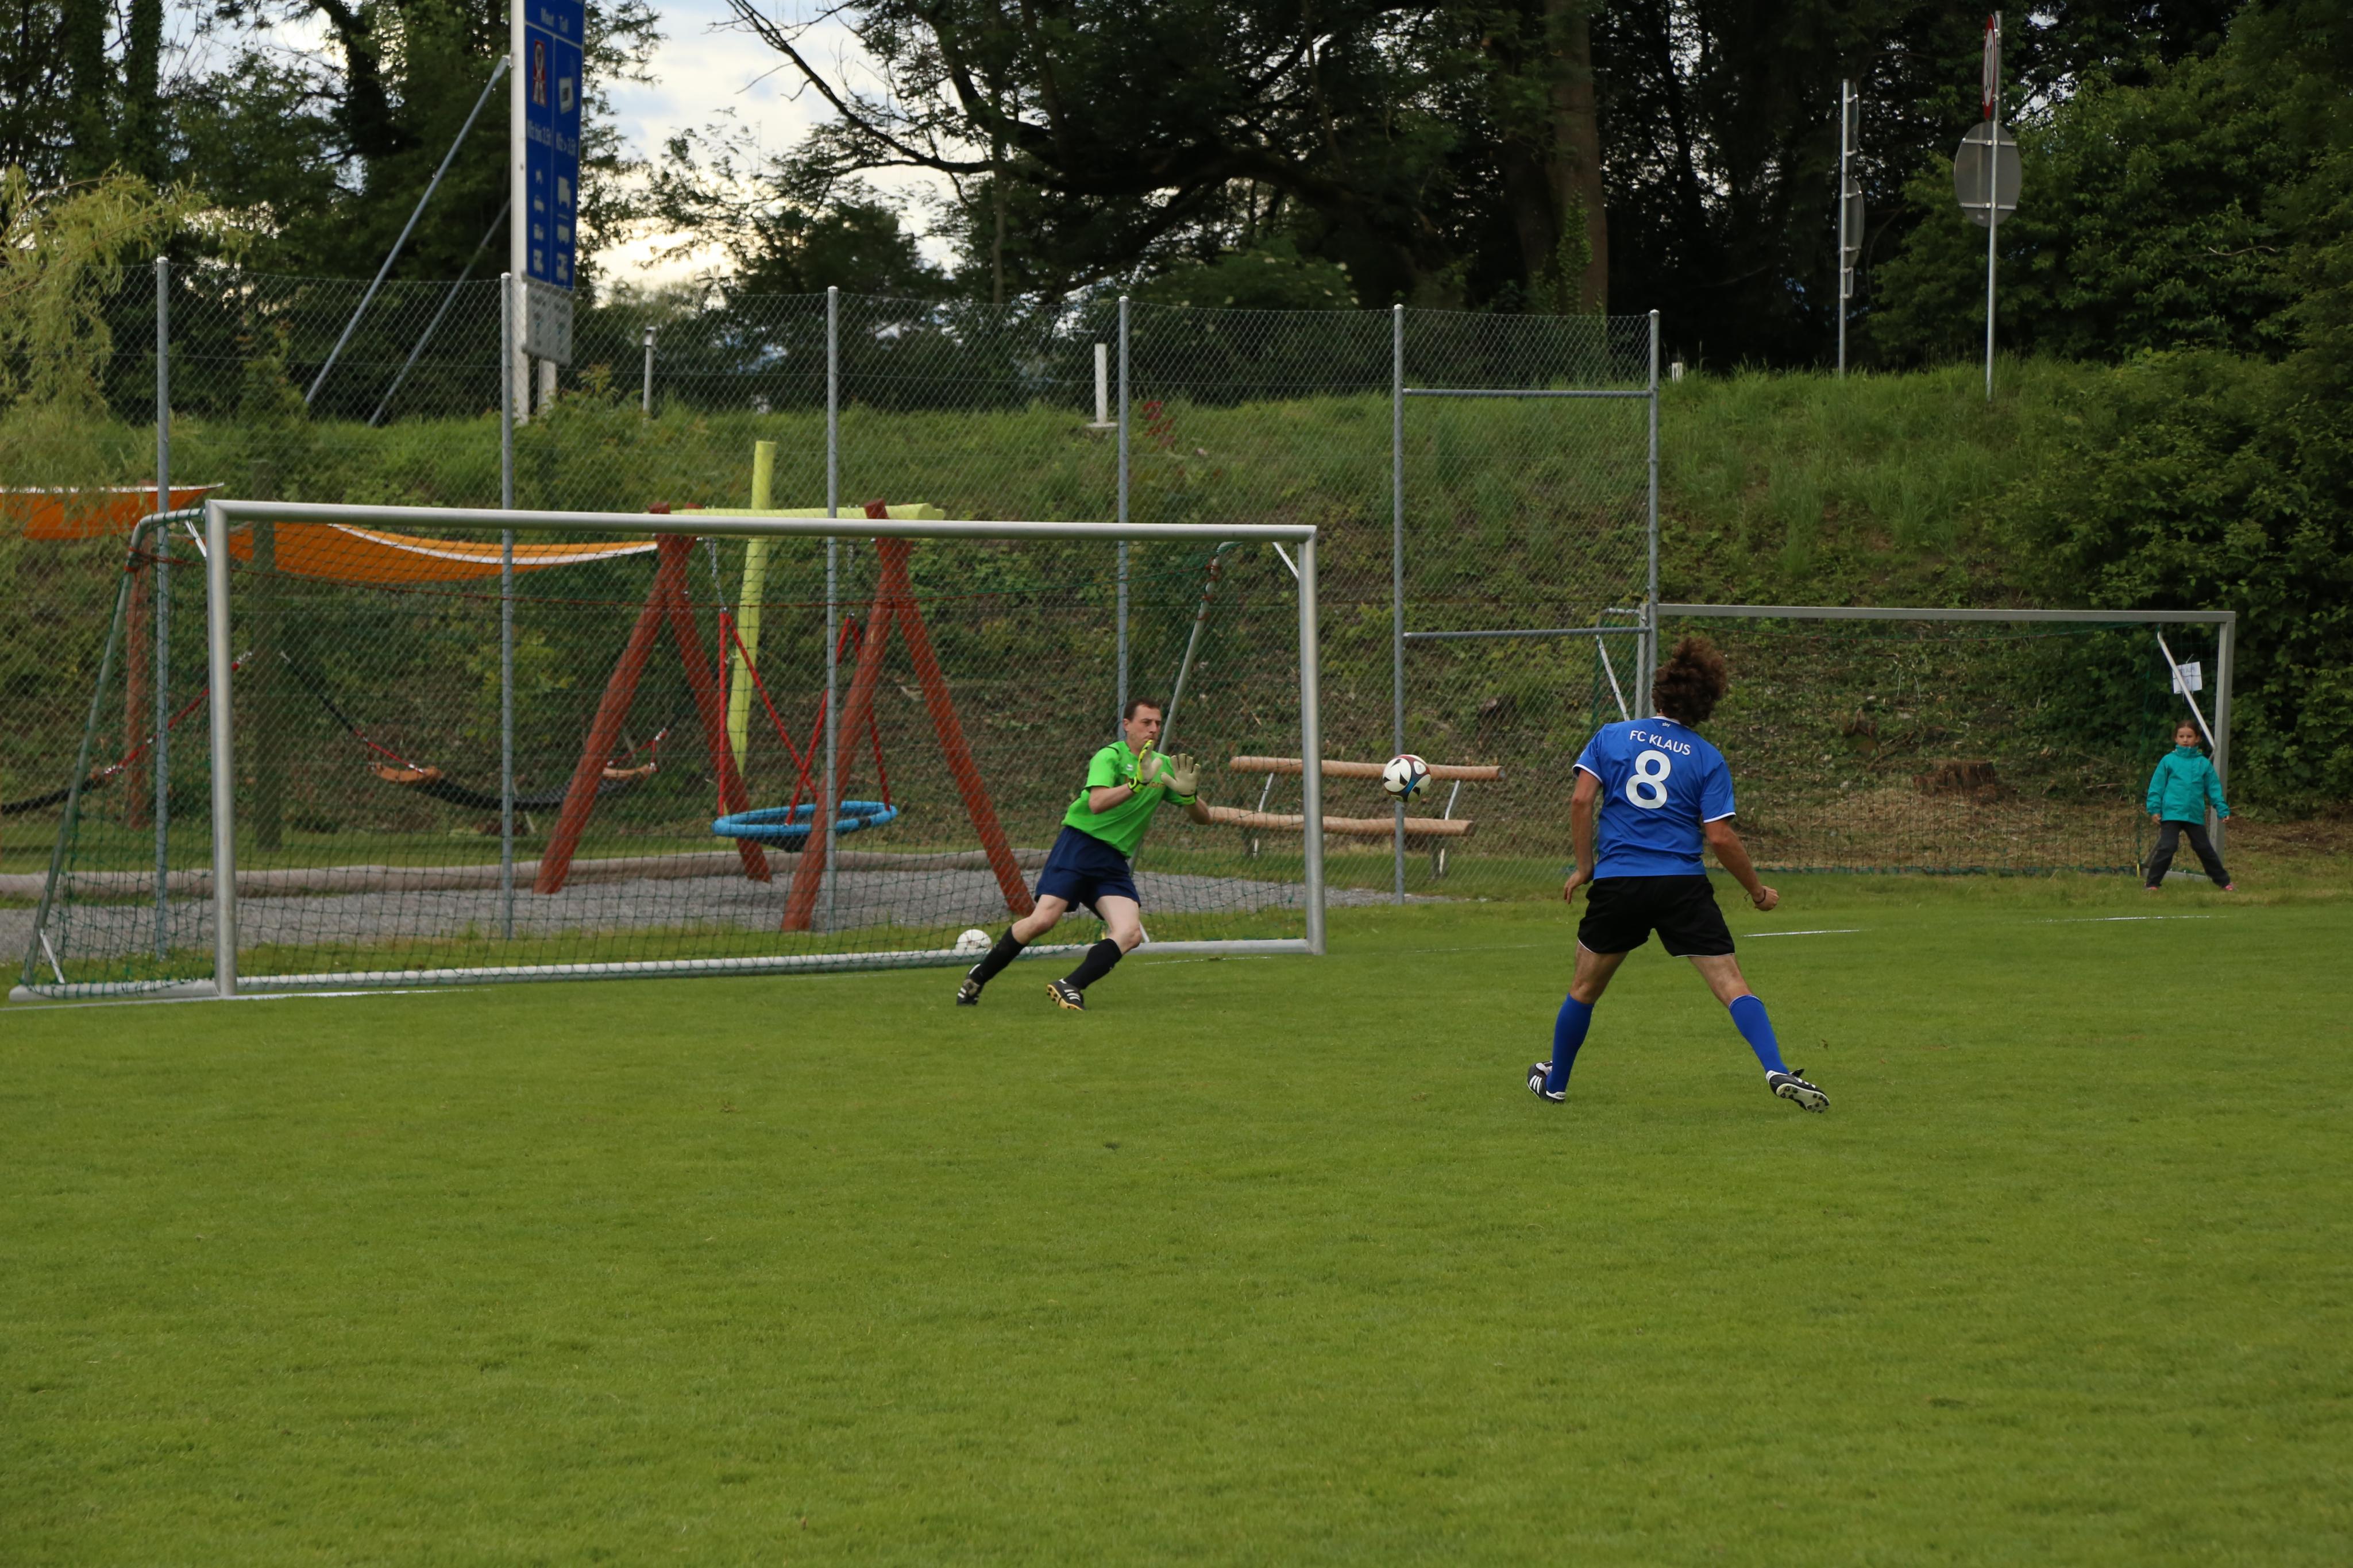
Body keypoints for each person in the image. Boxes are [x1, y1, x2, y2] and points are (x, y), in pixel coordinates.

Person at [1526, 636, 1828, 1113]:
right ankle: (1775, 1068)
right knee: (1732, 984)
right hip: (1681, 886)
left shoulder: (1611, 736)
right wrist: (1756, 891)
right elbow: (1721, 838)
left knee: (1584, 989)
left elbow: (1581, 800)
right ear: (1706, 705)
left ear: (1660, 691)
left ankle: (1556, 1083)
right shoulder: (1707, 758)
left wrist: (1585, 868)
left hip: (1620, 882)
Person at [956, 698, 1210, 1011]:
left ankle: (1071, 985)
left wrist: (1190, 796)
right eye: (1146, 722)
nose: (1154, 729)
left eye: (1158, 723)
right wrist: (1135, 784)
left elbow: (1203, 819)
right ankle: (978, 976)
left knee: (1130, 933)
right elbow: (1097, 803)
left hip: (1112, 861)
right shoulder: (1110, 756)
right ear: (1127, 725)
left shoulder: (1164, 765)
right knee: (1043, 920)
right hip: (1080, 846)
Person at [2143, 719, 2234, 893]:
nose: (2185, 740)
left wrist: (2222, 809)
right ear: (2176, 739)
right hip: (2172, 814)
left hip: (2194, 814)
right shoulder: (2168, 761)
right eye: (2182, 736)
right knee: (2168, 847)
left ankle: (2224, 882)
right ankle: (2152, 883)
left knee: (2204, 848)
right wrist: (2154, 809)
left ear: (2198, 739)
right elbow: (2157, 786)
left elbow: (2213, 789)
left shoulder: (2203, 764)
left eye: (2190, 736)